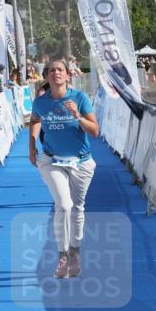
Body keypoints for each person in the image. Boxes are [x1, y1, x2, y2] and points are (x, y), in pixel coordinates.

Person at [28, 60, 99, 279]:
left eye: (60, 70)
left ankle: (75, 252)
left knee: (77, 208)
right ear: (46, 77)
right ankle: (62, 256)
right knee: (64, 206)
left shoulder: (80, 98)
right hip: (52, 160)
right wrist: (32, 146)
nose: (56, 73)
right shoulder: (40, 102)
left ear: (68, 75)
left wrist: (77, 117)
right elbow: (35, 120)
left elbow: (95, 131)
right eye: (52, 71)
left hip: (81, 162)